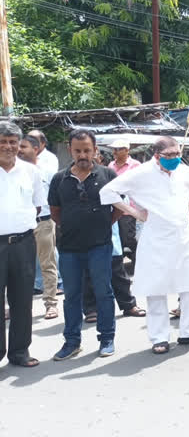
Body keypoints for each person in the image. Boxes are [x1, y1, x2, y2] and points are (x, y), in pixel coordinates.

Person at [100, 136, 189, 354]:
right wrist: (135, 212)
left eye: (177, 154)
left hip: (183, 236)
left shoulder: (183, 170)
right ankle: (159, 337)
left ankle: (188, 332)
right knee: (156, 288)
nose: (174, 159)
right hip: (155, 237)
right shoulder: (141, 173)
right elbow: (107, 192)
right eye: (169, 156)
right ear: (156, 156)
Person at [48, 129, 119, 360]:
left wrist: (102, 224)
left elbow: (119, 207)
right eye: (78, 150)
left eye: (87, 150)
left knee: (104, 292)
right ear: (70, 150)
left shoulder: (108, 175)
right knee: (71, 296)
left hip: (100, 245)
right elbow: (56, 212)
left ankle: (107, 338)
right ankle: (72, 341)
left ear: (95, 150)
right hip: (69, 248)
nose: (83, 155)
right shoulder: (59, 179)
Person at [0, 122, 45, 368]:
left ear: (19, 145)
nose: (8, 147)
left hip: (23, 242)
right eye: (3, 141)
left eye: (12, 142)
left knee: (22, 298)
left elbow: (37, 205)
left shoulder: (31, 172)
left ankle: (19, 352)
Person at [18, 135, 61, 319]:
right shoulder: (13, 171)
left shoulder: (48, 171)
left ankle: (50, 304)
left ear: (35, 149)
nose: (18, 150)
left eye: (23, 146)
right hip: (20, 225)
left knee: (47, 264)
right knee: (19, 268)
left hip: (43, 222)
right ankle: (18, 306)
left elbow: (57, 199)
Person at [83, 222, 145, 319]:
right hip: (85, 228)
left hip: (108, 223)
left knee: (117, 271)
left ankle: (128, 305)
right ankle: (91, 309)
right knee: (88, 272)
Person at [108, 139, 141, 268]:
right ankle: (118, 267)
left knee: (128, 237)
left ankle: (140, 260)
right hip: (114, 207)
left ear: (127, 150)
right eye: (114, 149)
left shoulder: (135, 165)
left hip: (129, 208)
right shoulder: (111, 165)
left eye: (118, 149)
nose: (114, 152)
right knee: (117, 239)